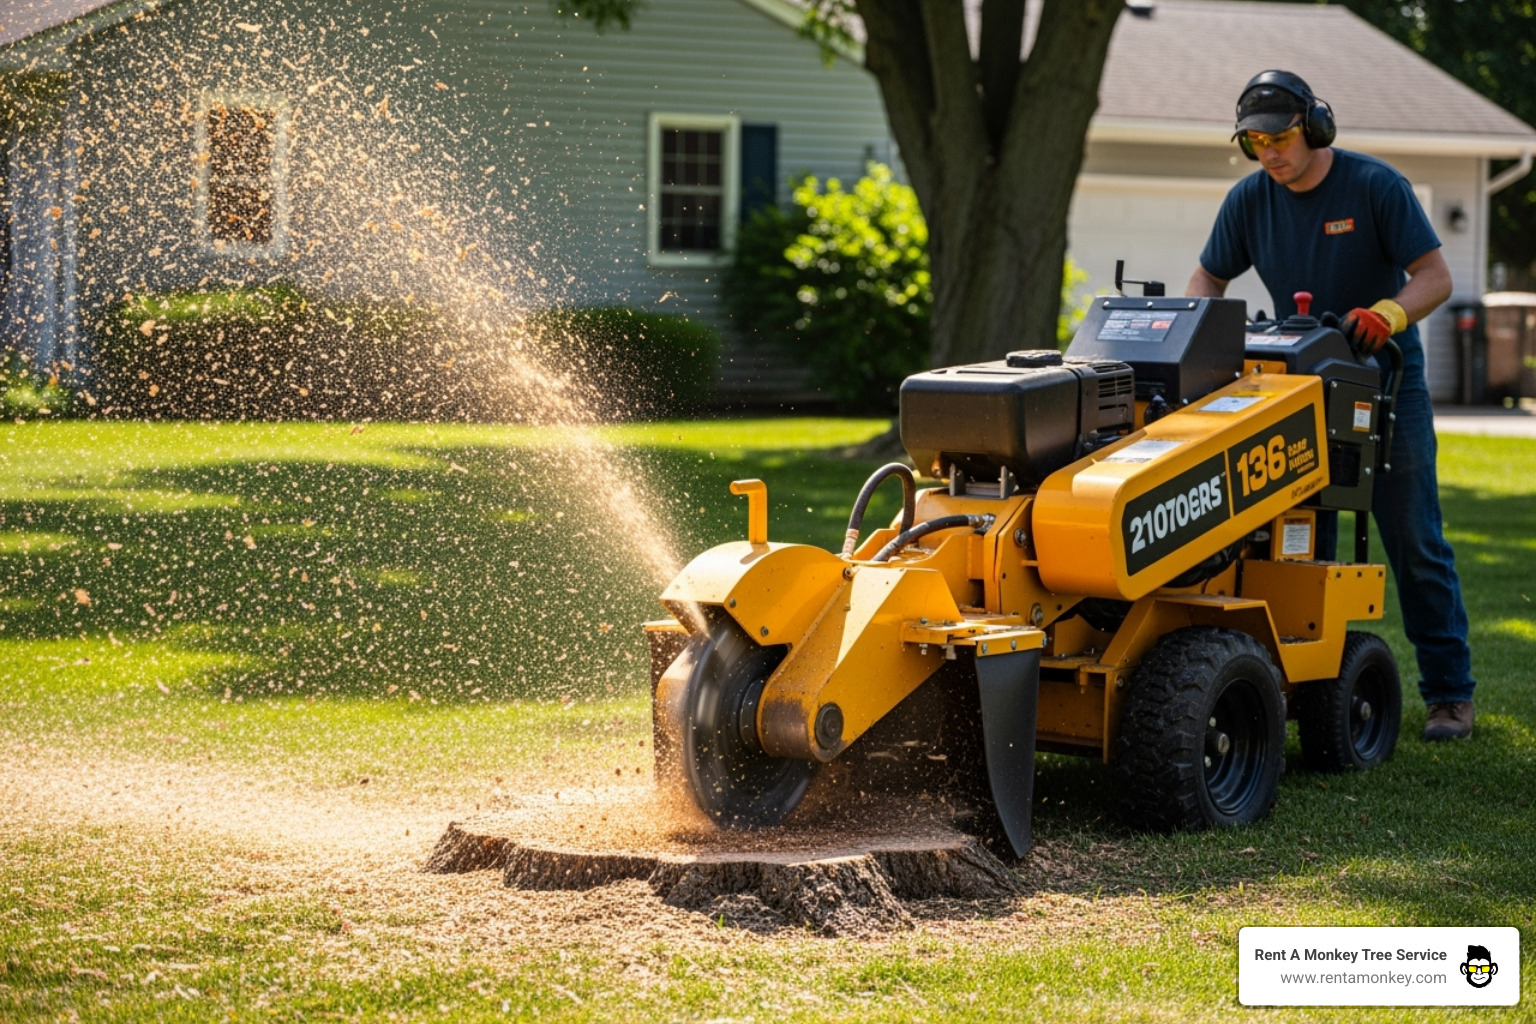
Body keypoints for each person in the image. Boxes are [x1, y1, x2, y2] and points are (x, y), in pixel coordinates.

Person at [1186, 69, 1476, 741]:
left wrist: (1387, 314)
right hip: (1296, 388)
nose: (1269, 153)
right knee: (1292, 540)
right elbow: (1208, 274)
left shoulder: (1375, 187)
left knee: (1412, 536)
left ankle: (1450, 694)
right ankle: (1305, 685)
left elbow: (1434, 276)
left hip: (1383, 386)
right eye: (1254, 142)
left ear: (1315, 128)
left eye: (1280, 138)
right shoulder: (1249, 201)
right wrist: (1202, 328)